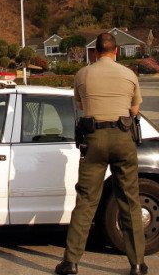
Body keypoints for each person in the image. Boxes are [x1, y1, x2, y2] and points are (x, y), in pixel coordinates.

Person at [55, 32, 147, 275]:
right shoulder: (129, 75)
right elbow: (135, 109)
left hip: (93, 140)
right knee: (129, 200)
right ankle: (137, 264)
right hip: (122, 138)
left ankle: (71, 261)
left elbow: (81, 105)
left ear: (95, 52)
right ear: (116, 51)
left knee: (86, 201)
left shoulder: (82, 74)